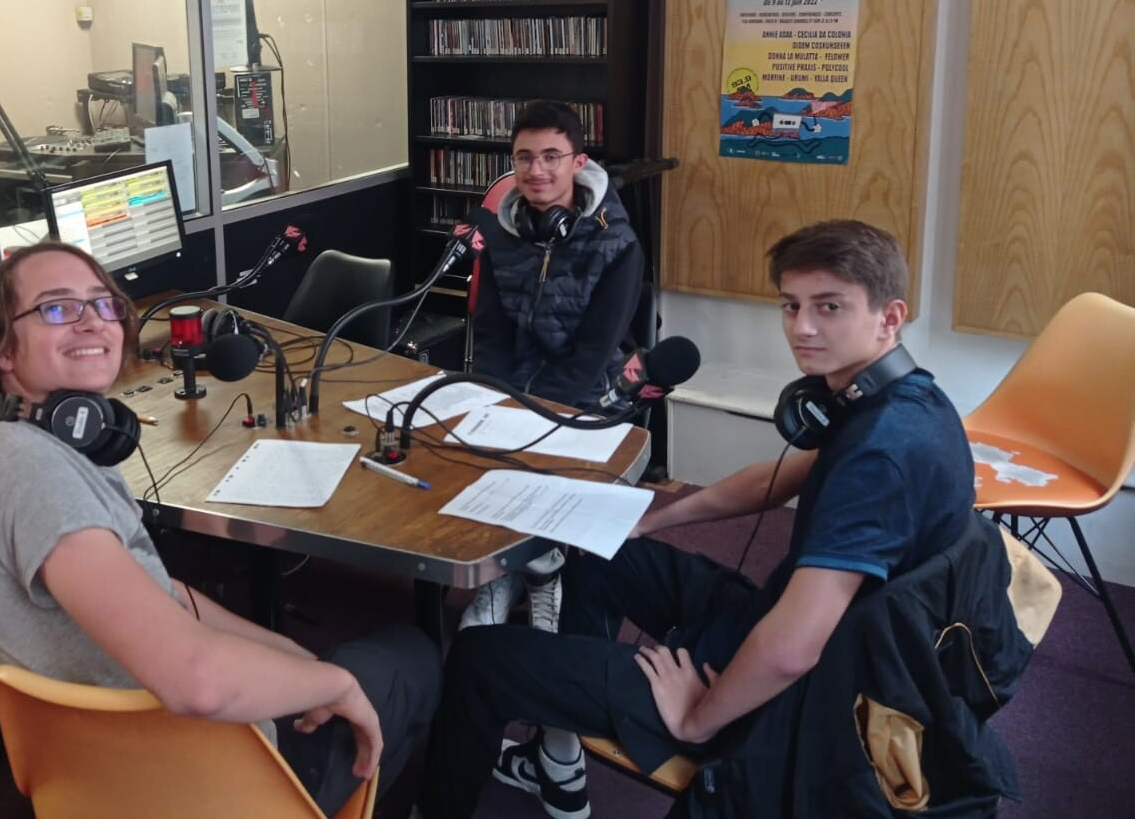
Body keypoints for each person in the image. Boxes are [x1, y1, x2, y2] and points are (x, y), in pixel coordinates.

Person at [416, 219, 976, 819]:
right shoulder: (893, 399)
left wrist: (696, 718)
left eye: (829, 307)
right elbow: (774, 481)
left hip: (795, 696)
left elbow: (795, 649)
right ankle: (559, 756)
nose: (802, 327)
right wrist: (648, 521)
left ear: (890, 317)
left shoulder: (882, 456)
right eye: (791, 305)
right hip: (789, 624)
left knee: (478, 660)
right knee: (593, 550)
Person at [0, 241, 440, 817]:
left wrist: (302, 663)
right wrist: (338, 686)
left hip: (104, 778)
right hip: (204, 783)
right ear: (3, 349)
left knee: (323, 667)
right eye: (57, 308)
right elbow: (197, 682)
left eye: (104, 305)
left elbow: (169, 596)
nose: (92, 321)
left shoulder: (29, 451)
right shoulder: (30, 472)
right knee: (412, 657)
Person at [458, 100, 645, 631]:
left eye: (551, 157)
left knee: (540, 460)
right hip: (517, 379)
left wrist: (531, 415)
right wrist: (494, 400)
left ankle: (544, 574)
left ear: (578, 163)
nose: (536, 170)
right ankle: (504, 571)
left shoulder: (618, 243)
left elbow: (594, 351)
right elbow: (491, 331)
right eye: (524, 157)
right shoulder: (499, 234)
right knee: (467, 447)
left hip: (590, 388)